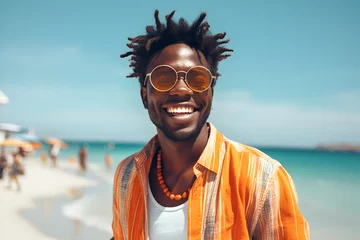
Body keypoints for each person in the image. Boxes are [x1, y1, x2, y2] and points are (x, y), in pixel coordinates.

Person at [111, 10, 310, 240]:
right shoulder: (127, 175)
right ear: (145, 96)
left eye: (197, 79)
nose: (181, 89)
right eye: (163, 78)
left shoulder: (262, 178)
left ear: (211, 94)